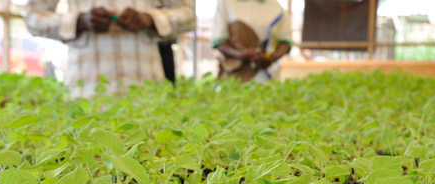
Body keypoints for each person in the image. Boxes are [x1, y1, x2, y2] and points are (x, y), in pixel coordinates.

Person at [24, 1, 194, 97]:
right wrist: (78, 21)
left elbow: (189, 14)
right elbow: (33, 17)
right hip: (87, 90)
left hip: (146, 88)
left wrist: (151, 19)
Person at [212, 0, 293, 83]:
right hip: (235, 74)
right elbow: (219, 41)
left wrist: (271, 57)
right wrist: (242, 54)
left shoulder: (276, 6)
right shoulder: (226, 2)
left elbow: (285, 41)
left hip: (267, 74)